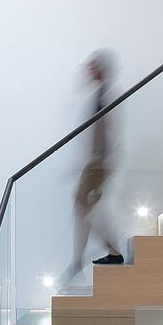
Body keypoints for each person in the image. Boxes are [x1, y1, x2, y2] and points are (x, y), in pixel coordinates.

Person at [61, 49, 123, 287]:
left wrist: (101, 161)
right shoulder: (101, 95)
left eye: (92, 66)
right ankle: (90, 258)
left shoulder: (105, 96)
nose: (88, 70)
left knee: (83, 207)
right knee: (84, 208)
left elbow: (107, 130)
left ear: (101, 69)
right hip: (96, 163)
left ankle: (107, 252)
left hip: (99, 164)